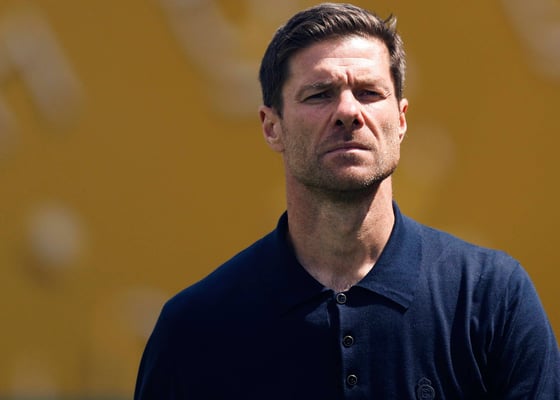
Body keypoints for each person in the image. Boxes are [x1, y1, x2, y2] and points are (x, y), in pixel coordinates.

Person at [134, 3, 560, 399]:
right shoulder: (195, 327)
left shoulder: (492, 298)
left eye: (370, 92)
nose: (348, 111)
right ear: (271, 126)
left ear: (401, 120)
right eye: (319, 94)